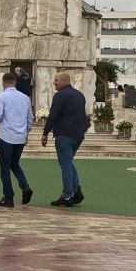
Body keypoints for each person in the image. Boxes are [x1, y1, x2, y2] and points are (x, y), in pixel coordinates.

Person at [41, 70, 89, 206]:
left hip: (64, 135)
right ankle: (76, 190)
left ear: (63, 81)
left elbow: (53, 115)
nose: (54, 83)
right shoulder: (79, 95)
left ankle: (67, 196)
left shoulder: (60, 96)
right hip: (78, 135)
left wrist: (45, 133)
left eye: (56, 80)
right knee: (68, 162)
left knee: (65, 165)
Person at [0, 71, 35, 207]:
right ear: (15, 82)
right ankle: (25, 187)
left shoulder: (1, 96)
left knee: (5, 168)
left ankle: (8, 196)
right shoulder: (25, 98)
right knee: (15, 164)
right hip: (20, 137)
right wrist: (26, 132)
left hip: (6, 136)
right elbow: (30, 118)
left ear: (3, 83)